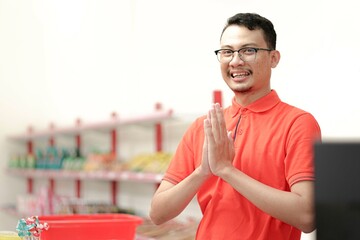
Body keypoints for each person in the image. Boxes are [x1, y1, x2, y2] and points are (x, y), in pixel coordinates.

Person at [149, 13, 321, 240]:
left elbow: (307, 216)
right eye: (227, 51)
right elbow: (158, 213)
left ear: (274, 58)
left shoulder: (297, 123)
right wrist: (202, 172)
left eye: (248, 50)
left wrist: (227, 171)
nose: (235, 61)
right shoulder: (204, 126)